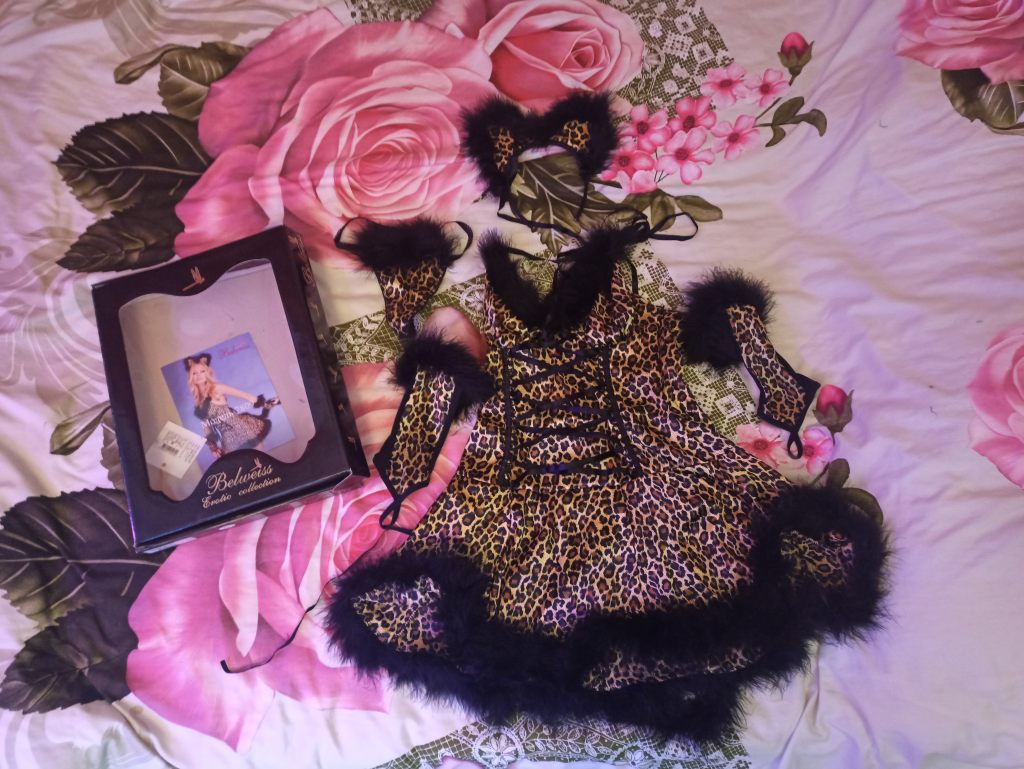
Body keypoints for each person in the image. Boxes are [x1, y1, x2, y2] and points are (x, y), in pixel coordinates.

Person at [184, 353, 280, 459]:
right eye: (194, 373)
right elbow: (207, 426)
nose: (199, 375)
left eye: (202, 371)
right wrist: (213, 447)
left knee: (261, 459)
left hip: (242, 430)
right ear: (191, 376)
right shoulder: (198, 401)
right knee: (241, 465)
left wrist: (269, 404)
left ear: (207, 372)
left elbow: (249, 397)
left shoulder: (217, 388)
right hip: (227, 439)